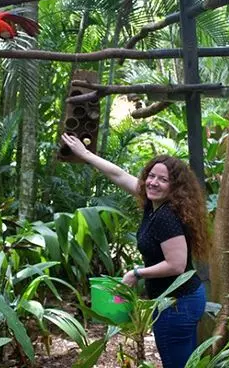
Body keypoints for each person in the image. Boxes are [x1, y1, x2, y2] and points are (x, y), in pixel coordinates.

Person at [61, 133, 209, 368]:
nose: (153, 182)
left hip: (177, 304)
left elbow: (176, 264)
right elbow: (118, 174)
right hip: (183, 300)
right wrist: (86, 154)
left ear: (175, 187)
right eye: (151, 176)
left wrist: (136, 273)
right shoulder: (154, 205)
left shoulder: (166, 217)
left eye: (163, 179)